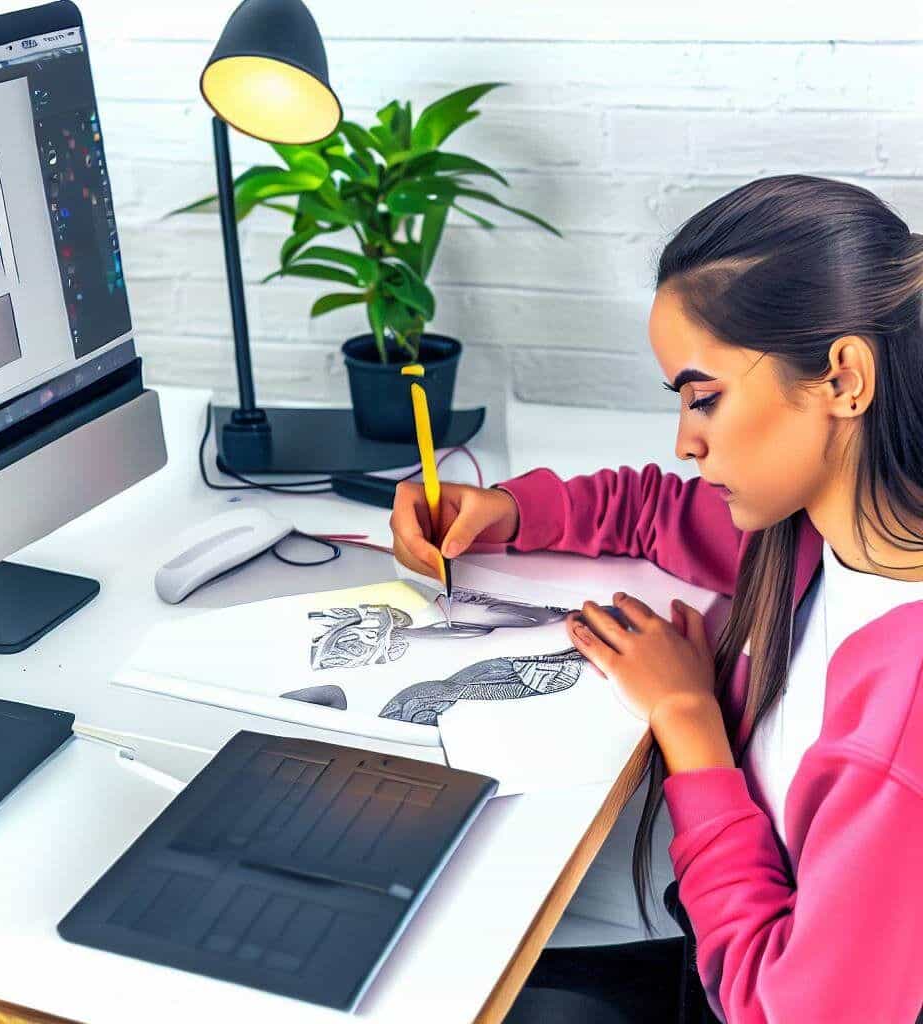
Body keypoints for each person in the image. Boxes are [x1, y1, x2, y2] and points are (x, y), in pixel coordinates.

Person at [389, 174, 923, 1023]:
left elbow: (783, 1012)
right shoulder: (821, 530)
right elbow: (662, 510)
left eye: (705, 396)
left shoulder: (901, 733)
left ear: (844, 379)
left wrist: (687, 722)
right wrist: (511, 512)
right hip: (712, 937)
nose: (685, 440)